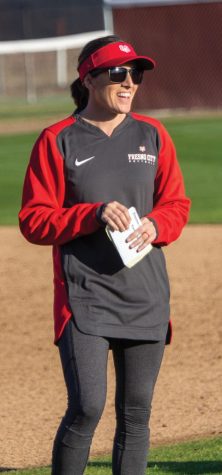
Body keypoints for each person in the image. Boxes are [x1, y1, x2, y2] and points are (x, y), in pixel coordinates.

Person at [19, 35, 191, 475]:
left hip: (146, 295)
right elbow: (34, 220)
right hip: (85, 299)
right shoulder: (57, 140)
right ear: (89, 78)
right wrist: (90, 215)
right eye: (118, 73)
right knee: (87, 408)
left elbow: (176, 203)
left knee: (136, 416)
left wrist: (158, 224)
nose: (129, 82)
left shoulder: (153, 135)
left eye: (136, 75)